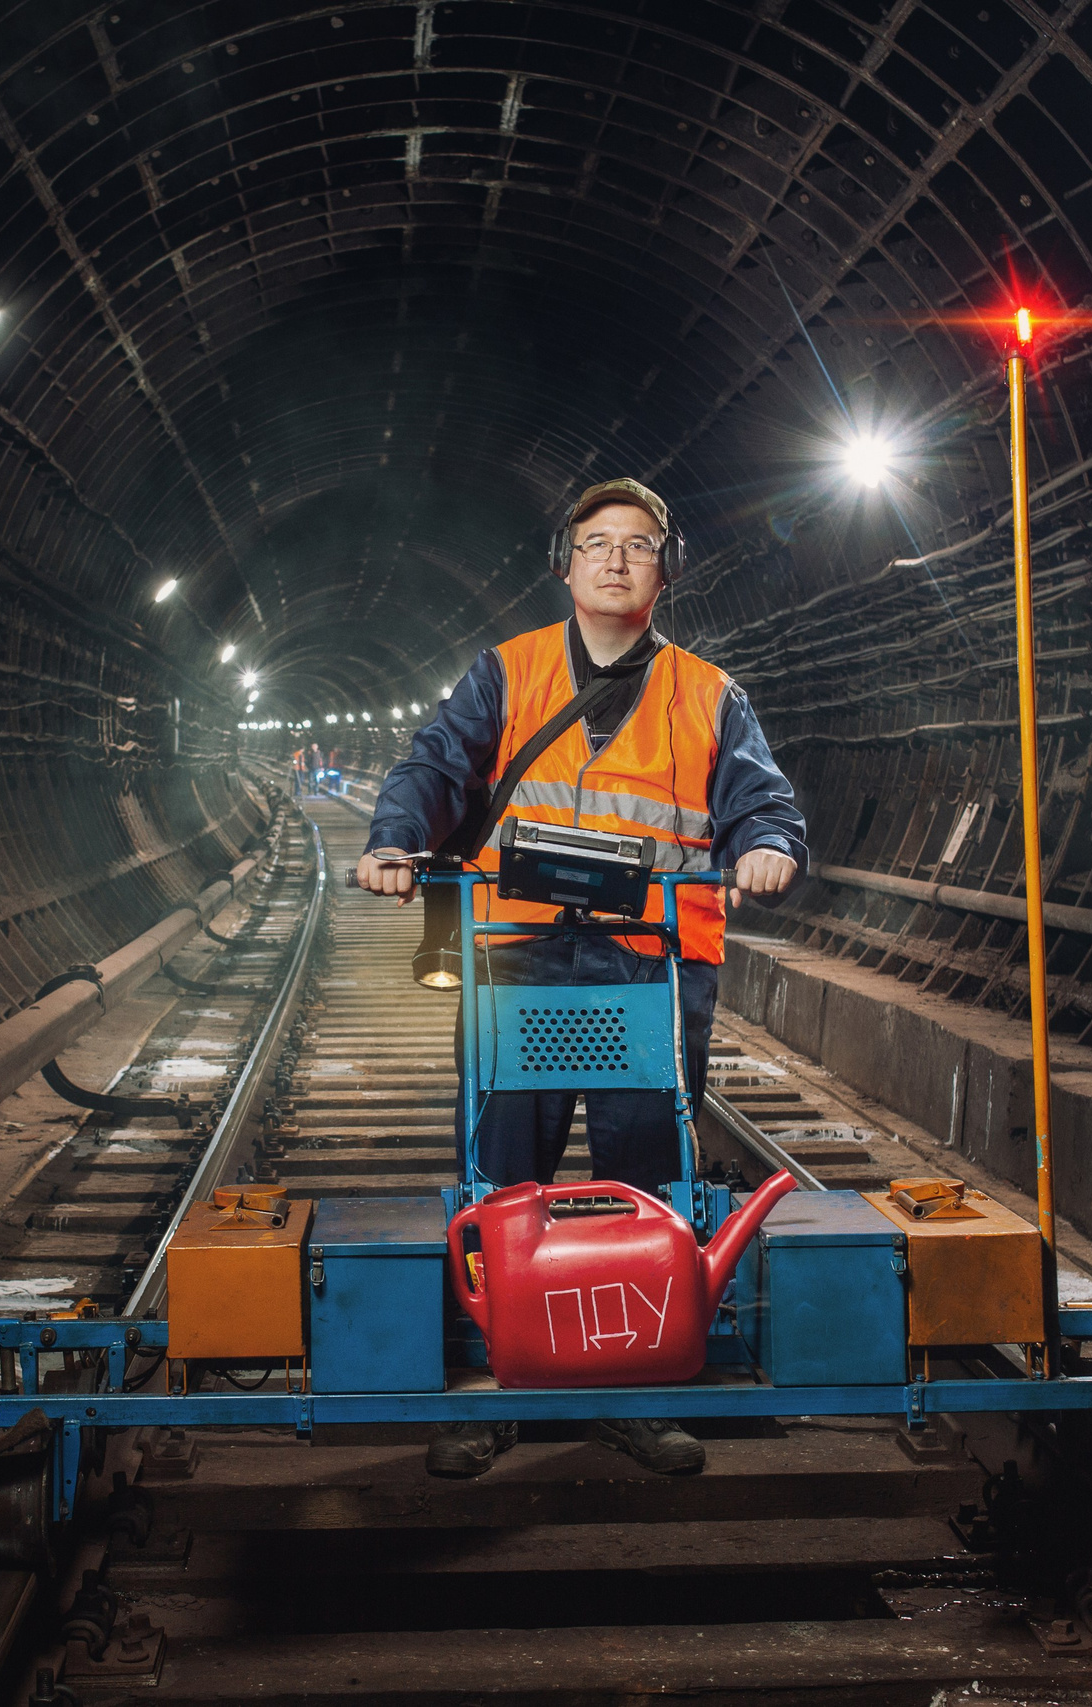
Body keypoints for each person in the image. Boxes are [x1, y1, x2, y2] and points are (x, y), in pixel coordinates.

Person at [355, 477, 806, 1480]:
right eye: (596, 542)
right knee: (501, 1179)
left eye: (637, 544)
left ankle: (637, 1388)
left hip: (646, 961)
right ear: (564, 564)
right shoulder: (503, 674)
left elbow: (758, 799)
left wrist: (768, 846)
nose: (614, 559)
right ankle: (498, 1383)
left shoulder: (709, 693)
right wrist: (394, 841)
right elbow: (434, 767)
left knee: (644, 1183)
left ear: (665, 570)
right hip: (514, 953)